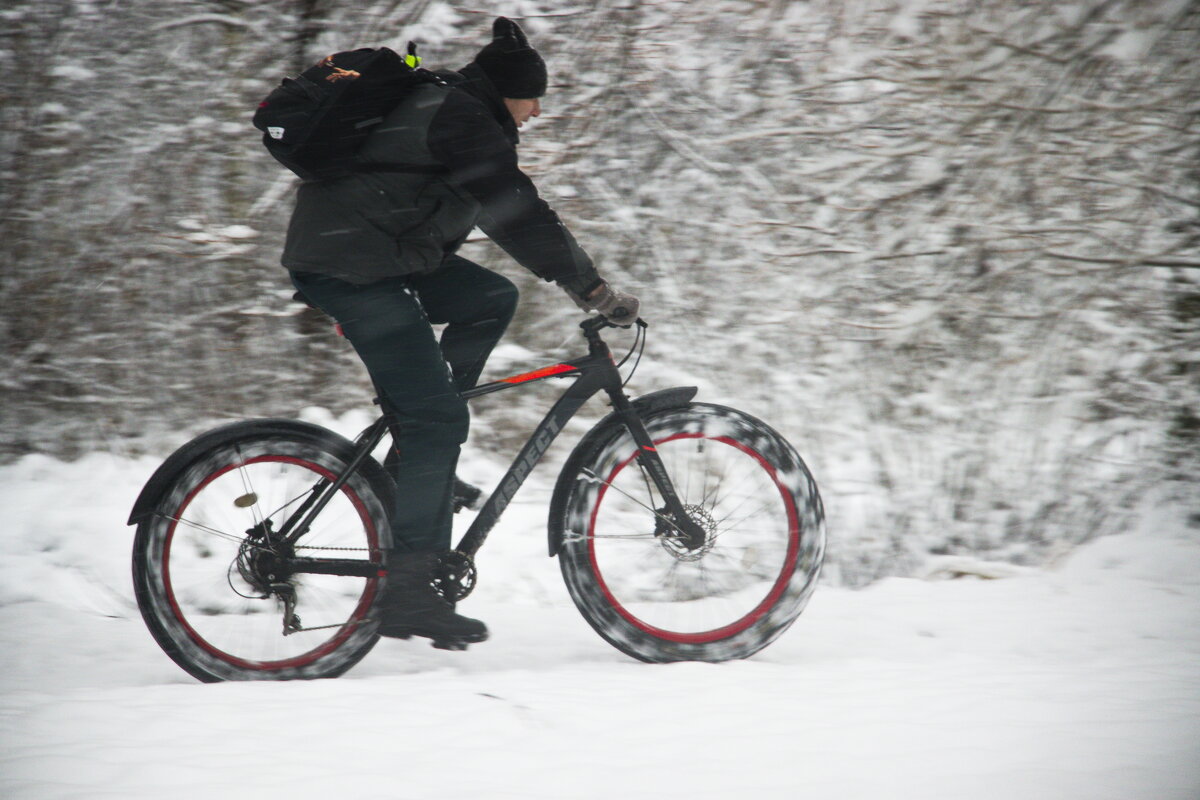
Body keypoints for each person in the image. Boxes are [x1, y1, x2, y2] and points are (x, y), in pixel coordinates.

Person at [282, 17, 639, 648]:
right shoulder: (463, 119)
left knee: (489, 297)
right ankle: (409, 596)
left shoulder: (457, 107)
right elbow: (518, 213)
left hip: (376, 254)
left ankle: (420, 463)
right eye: (534, 99)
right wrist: (593, 290)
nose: (535, 113)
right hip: (355, 268)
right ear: (509, 92)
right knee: (439, 422)